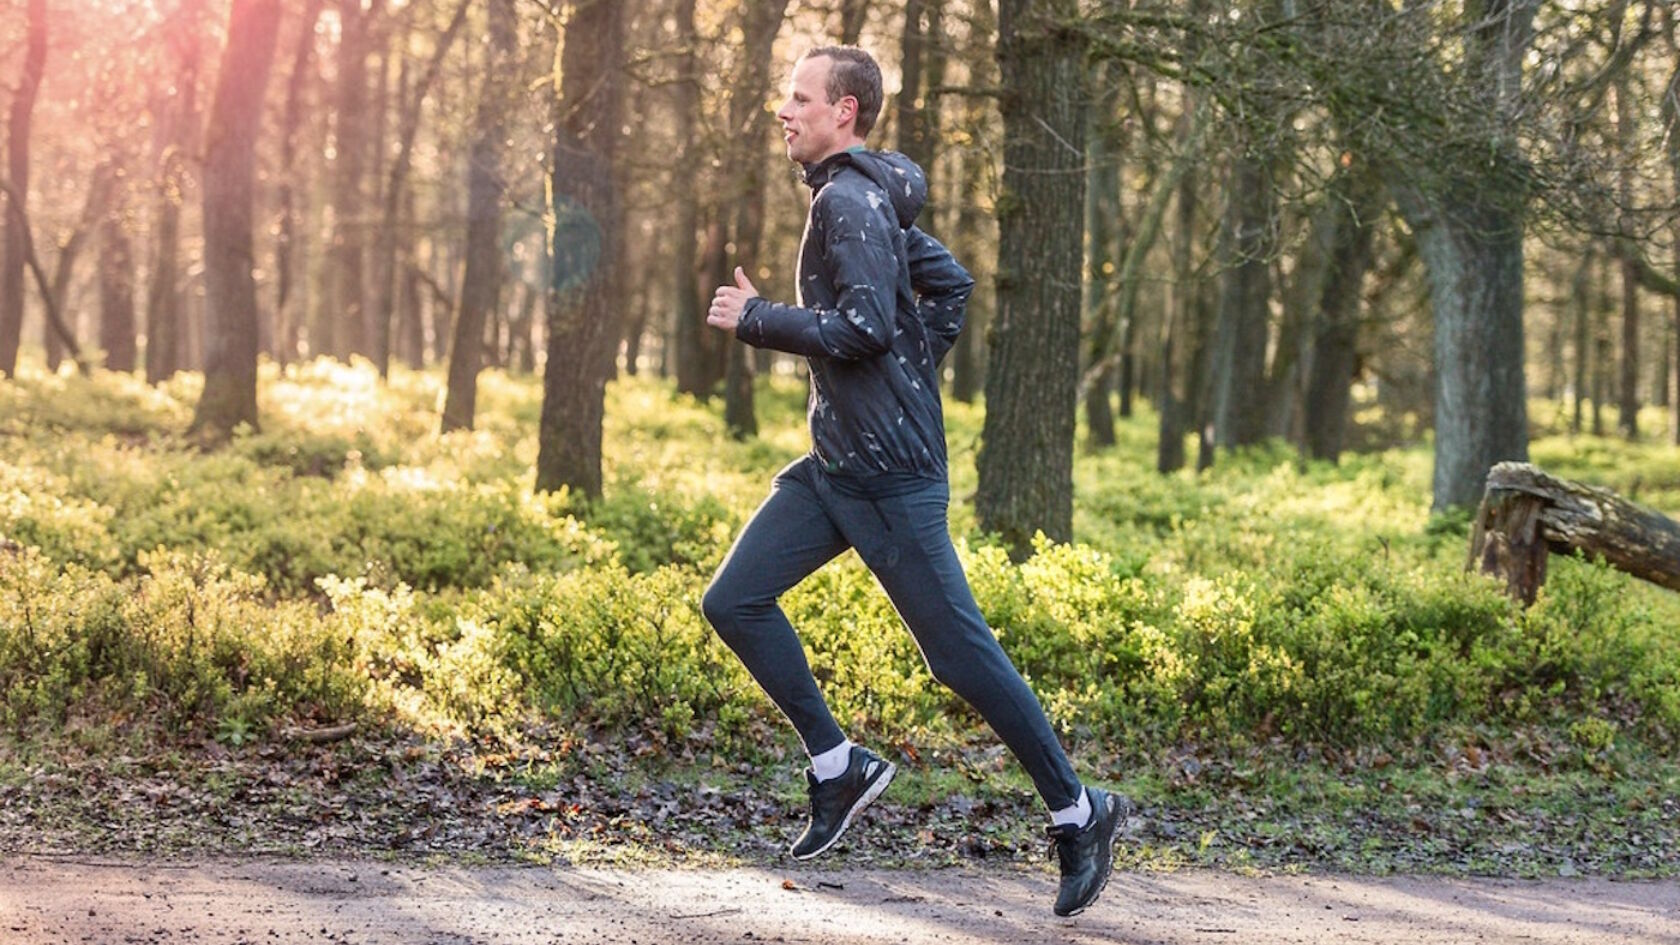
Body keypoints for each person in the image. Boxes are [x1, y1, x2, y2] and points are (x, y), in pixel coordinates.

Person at [701, 45, 1126, 918]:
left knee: (959, 653)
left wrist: (759, 321)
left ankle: (1081, 812)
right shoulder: (863, 200)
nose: (784, 110)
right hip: (836, 465)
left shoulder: (847, 202)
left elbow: (858, 325)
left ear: (844, 112)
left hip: (889, 479)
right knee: (734, 598)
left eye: (799, 97)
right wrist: (905, 370)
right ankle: (837, 763)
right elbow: (948, 284)